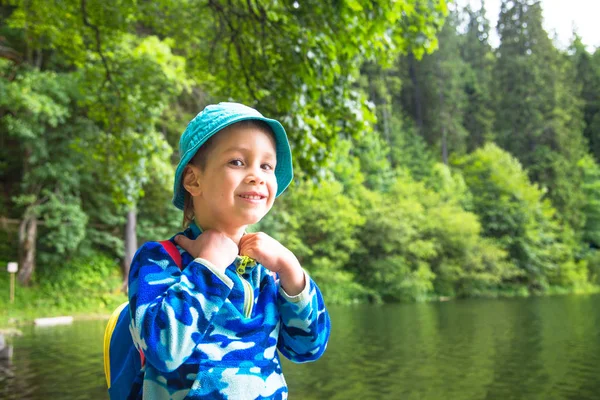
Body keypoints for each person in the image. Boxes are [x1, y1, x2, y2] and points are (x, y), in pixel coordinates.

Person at [127, 102, 331, 399]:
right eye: (237, 162)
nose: (257, 175)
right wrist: (207, 268)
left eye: (267, 166)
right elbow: (163, 350)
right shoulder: (160, 260)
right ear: (194, 180)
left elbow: (308, 347)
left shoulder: (269, 269)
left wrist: (291, 271)